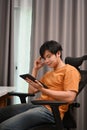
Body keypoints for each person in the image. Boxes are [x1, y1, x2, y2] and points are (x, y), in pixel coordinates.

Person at [0, 40, 81, 130]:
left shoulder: (70, 70)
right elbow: (31, 92)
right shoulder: (48, 74)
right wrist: (35, 69)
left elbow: (70, 97)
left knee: (5, 127)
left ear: (58, 53)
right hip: (37, 106)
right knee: (1, 113)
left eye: (48, 56)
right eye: (44, 58)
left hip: (51, 111)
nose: (46, 61)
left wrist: (43, 90)